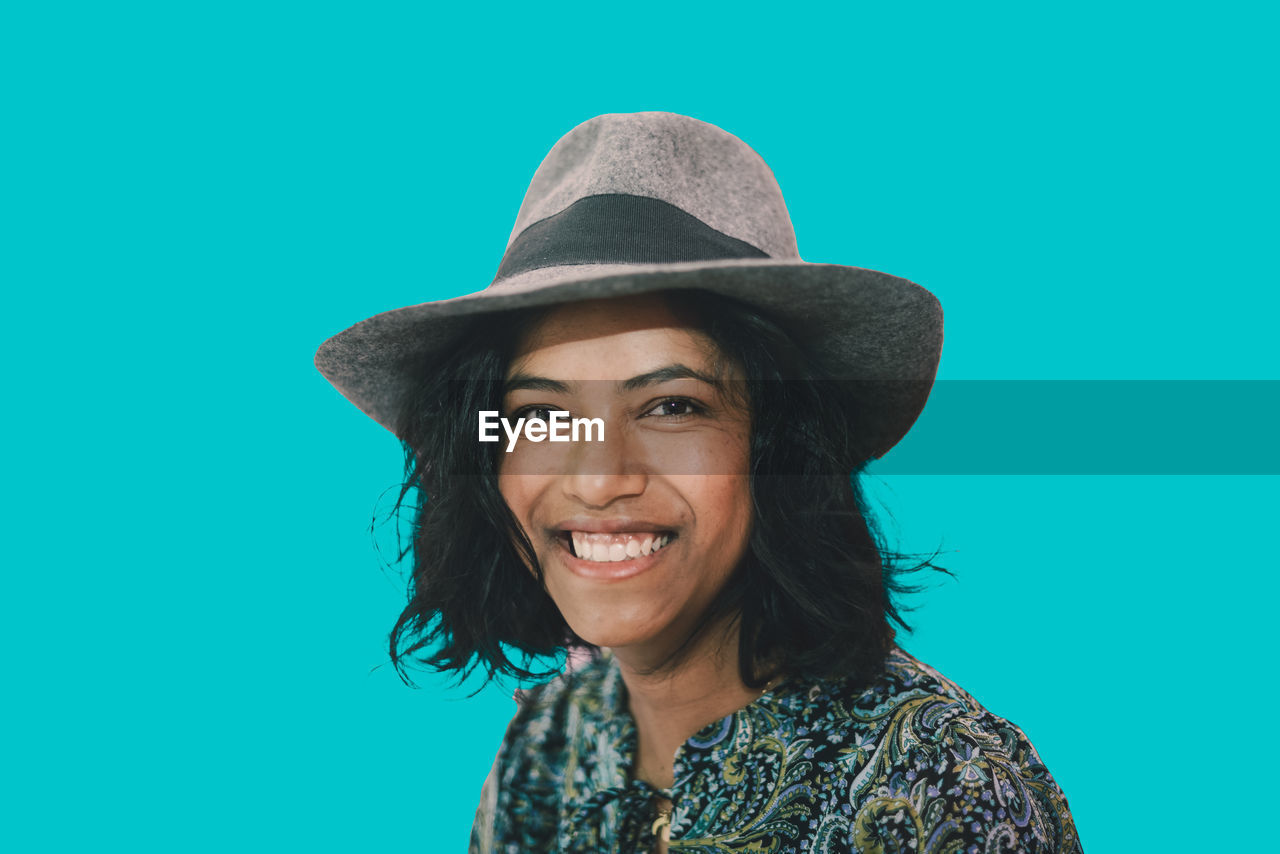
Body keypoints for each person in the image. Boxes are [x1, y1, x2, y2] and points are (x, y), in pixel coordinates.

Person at [316, 112, 1082, 853]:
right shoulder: (549, 743)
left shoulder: (942, 788)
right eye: (544, 416)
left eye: (672, 406)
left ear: (782, 448)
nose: (601, 478)